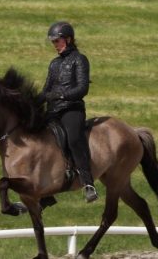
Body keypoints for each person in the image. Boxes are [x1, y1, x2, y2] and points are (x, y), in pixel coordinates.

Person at [40, 21, 98, 203]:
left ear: (69, 39)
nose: (55, 45)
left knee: (73, 138)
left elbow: (82, 89)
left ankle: (88, 183)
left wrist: (61, 95)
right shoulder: (54, 64)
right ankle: (46, 192)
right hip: (53, 110)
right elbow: (46, 89)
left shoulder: (80, 59)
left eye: (57, 41)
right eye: (53, 42)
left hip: (72, 109)